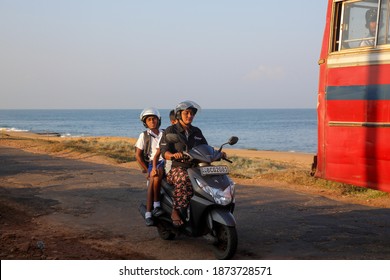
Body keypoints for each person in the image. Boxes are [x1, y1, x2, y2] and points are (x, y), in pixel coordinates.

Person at [159, 101, 207, 227]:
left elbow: (205, 147)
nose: (189, 116)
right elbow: (164, 152)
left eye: (192, 114)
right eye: (186, 113)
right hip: (177, 169)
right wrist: (173, 155)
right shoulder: (171, 130)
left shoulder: (196, 131)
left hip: (195, 168)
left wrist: (218, 153)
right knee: (184, 179)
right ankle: (175, 211)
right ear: (179, 114)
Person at [134, 107, 164, 226]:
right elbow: (138, 155)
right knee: (154, 178)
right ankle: (152, 209)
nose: (152, 121)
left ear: (158, 120)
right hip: (153, 162)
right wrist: (147, 171)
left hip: (166, 161)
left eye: (154, 119)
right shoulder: (144, 135)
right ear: (145, 122)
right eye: (149, 120)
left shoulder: (164, 132)